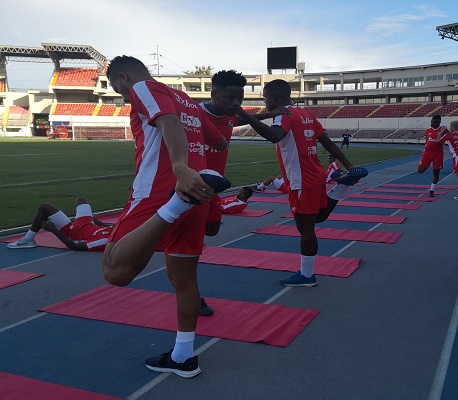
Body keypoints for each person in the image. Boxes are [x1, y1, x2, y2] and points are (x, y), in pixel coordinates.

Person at [102, 55, 228, 378]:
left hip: (163, 191)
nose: (118, 93)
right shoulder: (187, 100)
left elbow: (168, 123)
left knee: (114, 269)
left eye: (116, 86)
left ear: (123, 78)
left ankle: (176, 205)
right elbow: (220, 140)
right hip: (198, 191)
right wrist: (197, 171)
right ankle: (184, 357)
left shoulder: (142, 88)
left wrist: (181, 170)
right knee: (184, 280)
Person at [237, 79, 368, 287]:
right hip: (315, 175)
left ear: (274, 97)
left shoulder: (282, 115)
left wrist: (247, 117)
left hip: (300, 180)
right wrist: (349, 165)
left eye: (264, 96)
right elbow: (326, 142)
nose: (264, 101)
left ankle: (307, 275)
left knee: (306, 229)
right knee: (318, 217)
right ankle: (342, 185)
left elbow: (274, 136)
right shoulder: (306, 114)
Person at [197, 70, 287, 317]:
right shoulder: (193, 115)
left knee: (212, 229)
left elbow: (239, 120)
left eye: (240, 98)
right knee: (189, 247)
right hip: (192, 190)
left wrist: (270, 114)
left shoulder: (228, 116)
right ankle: (192, 296)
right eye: (230, 98)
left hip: (212, 191)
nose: (236, 104)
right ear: (214, 94)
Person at [6, 197, 113, 251]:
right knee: (81, 200)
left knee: (45, 208)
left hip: (72, 232)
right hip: (86, 223)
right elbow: (110, 227)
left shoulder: (105, 241)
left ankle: (28, 240)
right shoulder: (118, 229)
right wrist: (99, 223)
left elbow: (75, 246)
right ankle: (28, 240)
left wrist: (53, 230)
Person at [417, 115, 448, 197]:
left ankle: (432, 190)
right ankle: (427, 164)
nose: (432, 123)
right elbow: (427, 140)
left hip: (438, 154)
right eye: (431, 122)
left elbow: (450, 135)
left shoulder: (443, 130)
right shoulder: (428, 130)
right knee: (420, 170)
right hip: (427, 153)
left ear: (439, 122)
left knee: (436, 173)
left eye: (434, 122)